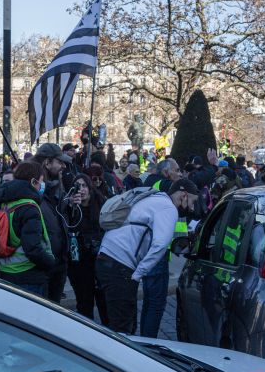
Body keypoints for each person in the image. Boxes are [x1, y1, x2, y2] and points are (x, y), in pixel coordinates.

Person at [96, 179, 200, 335]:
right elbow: (160, 245)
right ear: (184, 196)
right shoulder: (168, 208)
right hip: (119, 265)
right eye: (192, 201)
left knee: (119, 323)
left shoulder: (154, 198)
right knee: (122, 329)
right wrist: (138, 274)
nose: (192, 207)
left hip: (107, 259)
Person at [0, 161, 56, 297]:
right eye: (41, 181)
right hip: (28, 275)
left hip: (5, 270)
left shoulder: (2, 203)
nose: (42, 185)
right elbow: (32, 248)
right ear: (33, 181)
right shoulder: (29, 207)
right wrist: (50, 262)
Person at [33, 143, 80, 303]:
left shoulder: (58, 187)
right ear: (47, 163)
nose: (63, 166)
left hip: (60, 262)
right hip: (41, 266)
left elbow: (63, 220)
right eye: (59, 162)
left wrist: (71, 206)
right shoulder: (32, 189)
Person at [65, 172, 108, 323]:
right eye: (78, 186)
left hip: (99, 260)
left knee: (104, 301)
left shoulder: (101, 203)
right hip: (78, 263)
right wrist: (71, 207)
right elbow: (66, 226)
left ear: (90, 188)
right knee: (84, 302)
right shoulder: (70, 206)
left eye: (84, 186)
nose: (82, 190)